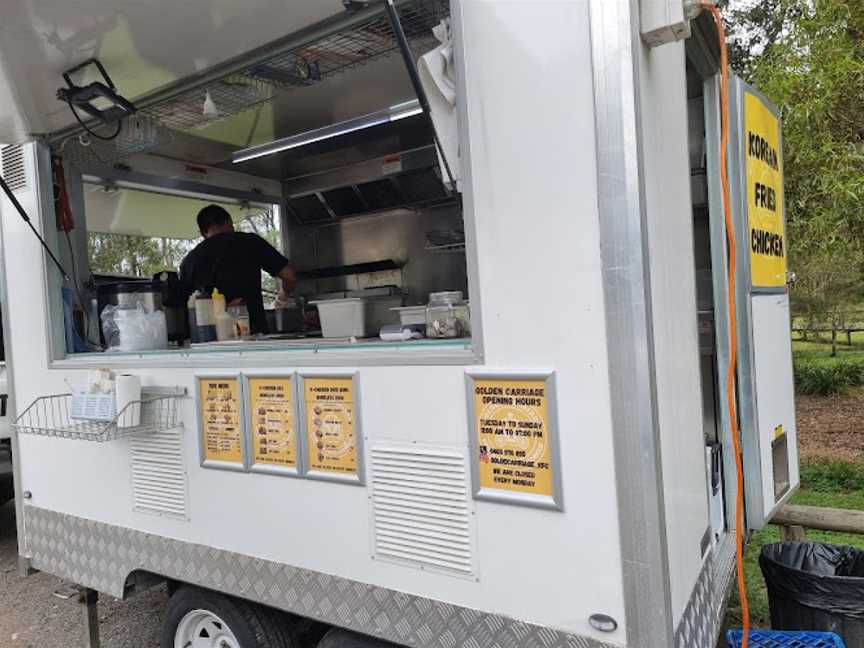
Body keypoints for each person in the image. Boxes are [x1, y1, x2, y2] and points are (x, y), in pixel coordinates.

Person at [180, 204, 296, 334]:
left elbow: (187, 309)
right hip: (253, 334)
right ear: (229, 222)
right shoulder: (250, 242)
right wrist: (284, 294)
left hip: (210, 339)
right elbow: (289, 275)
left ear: (203, 232)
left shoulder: (188, 262)